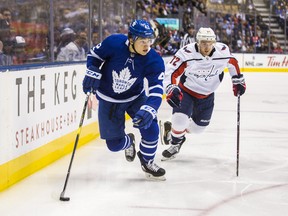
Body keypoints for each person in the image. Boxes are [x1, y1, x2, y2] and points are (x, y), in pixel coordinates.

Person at [82, 20, 166, 180]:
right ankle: (129, 142)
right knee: (114, 145)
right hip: (108, 99)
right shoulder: (114, 43)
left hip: (135, 97)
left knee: (152, 129)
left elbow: (156, 87)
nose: (147, 46)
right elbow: (94, 56)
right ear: (132, 38)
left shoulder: (153, 59)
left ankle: (147, 161)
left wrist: (151, 108)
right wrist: (92, 69)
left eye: (150, 41)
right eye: (143, 41)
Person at [161, 27, 246, 161]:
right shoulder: (186, 53)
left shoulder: (222, 51)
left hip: (207, 95)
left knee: (198, 129)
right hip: (186, 91)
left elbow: (233, 63)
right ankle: (175, 142)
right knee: (179, 121)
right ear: (198, 42)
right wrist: (171, 88)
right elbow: (170, 71)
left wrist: (237, 80)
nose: (206, 47)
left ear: (214, 42)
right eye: (203, 43)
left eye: (209, 43)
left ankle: (177, 132)